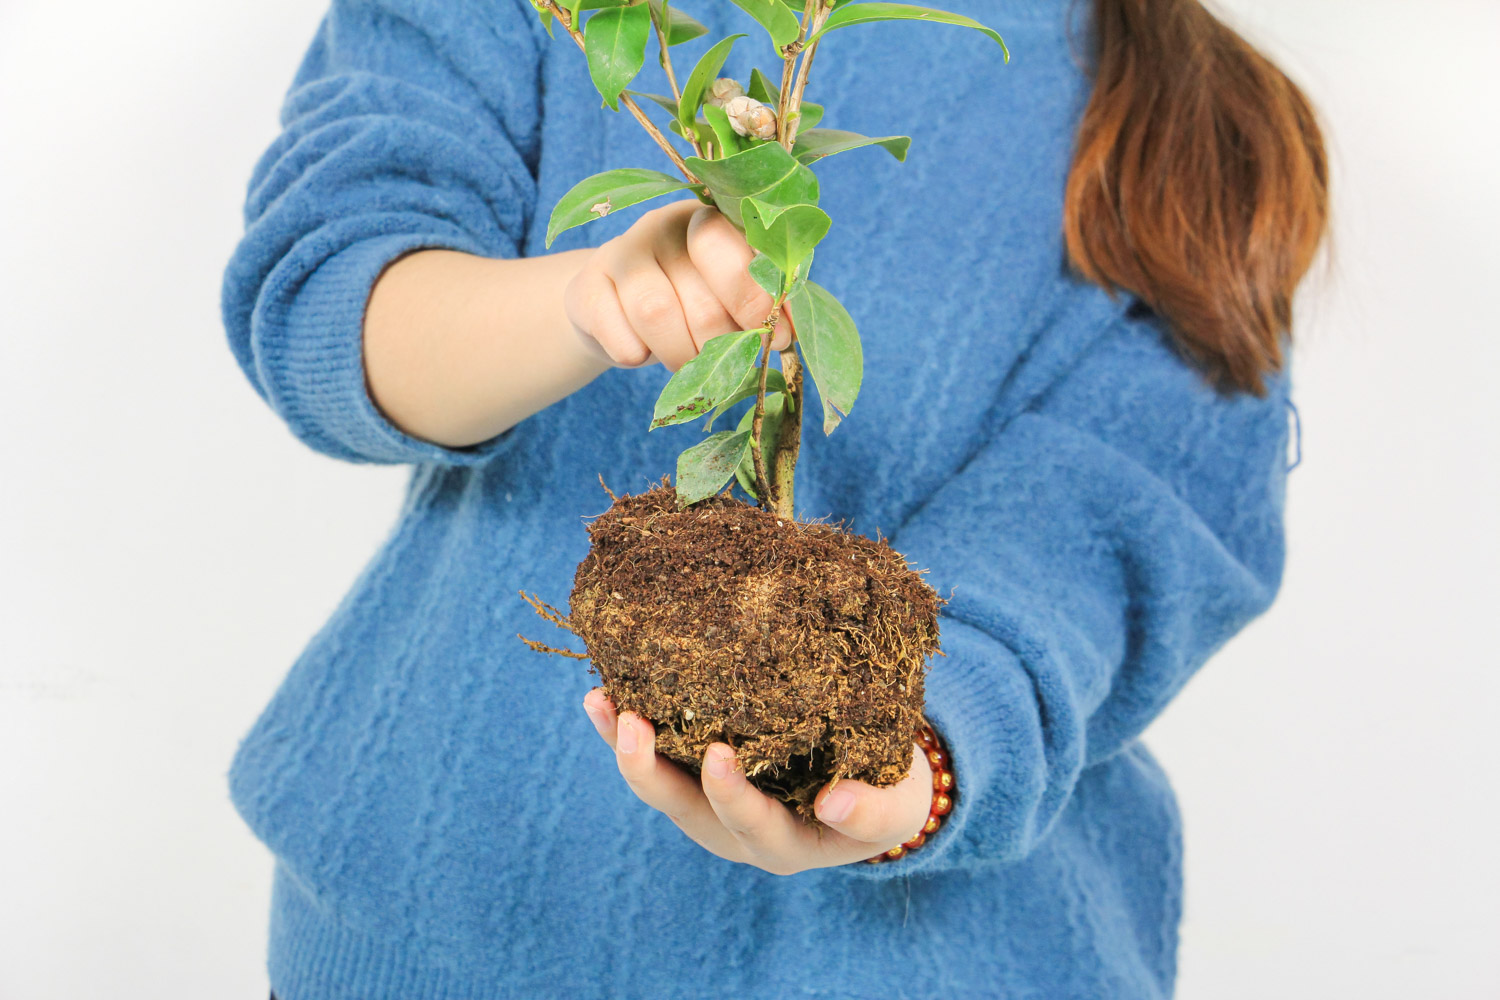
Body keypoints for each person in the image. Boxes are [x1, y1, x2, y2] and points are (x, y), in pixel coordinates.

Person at [223, 0, 1328, 997]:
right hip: (435, 931)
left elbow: (1104, 531)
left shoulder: (1199, 134)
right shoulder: (557, 20)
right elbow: (329, 296)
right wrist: (590, 300)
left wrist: (919, 760)